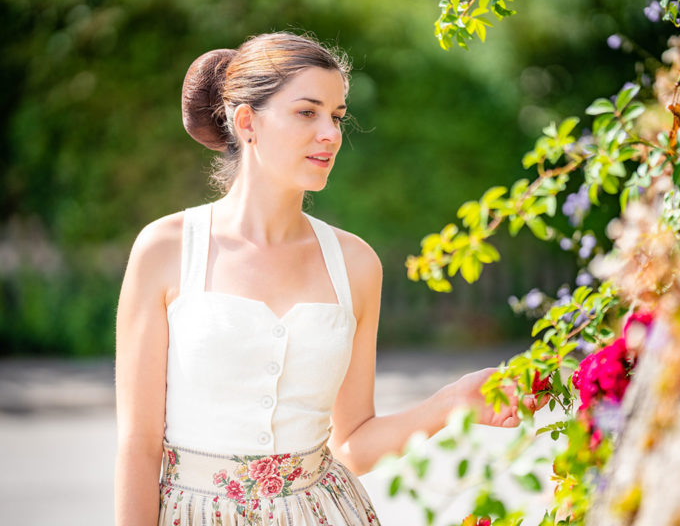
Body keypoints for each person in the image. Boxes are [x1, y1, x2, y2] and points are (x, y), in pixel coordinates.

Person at [114, 31, 535, 526]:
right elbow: (139, 446)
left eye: (336, 116)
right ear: (248, 121)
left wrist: (452, 401)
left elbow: (352, 443)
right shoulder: (166, 249)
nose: (332, 134)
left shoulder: (355, 264)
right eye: (307, 112)